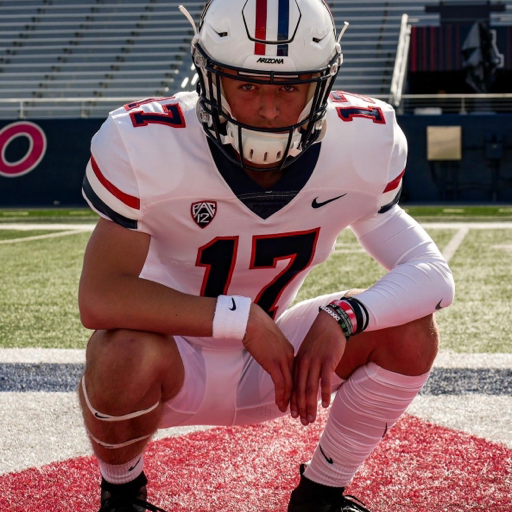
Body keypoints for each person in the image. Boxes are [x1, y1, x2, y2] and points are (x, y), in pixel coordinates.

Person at [78, 0, 455, 510]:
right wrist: (243, 318)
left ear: (321, 84)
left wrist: (342, 318)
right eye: (248, 84)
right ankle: (123, 496)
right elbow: (100, 298)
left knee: (410, 327)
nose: (271, 109)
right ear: (209, 79)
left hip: (278, 369)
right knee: (120, 350)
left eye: (289, 86)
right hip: (171, 361)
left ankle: (321, 496)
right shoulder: (144, 142)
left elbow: (432, 275)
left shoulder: (365, 140)